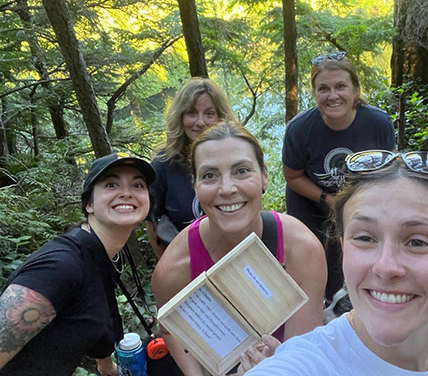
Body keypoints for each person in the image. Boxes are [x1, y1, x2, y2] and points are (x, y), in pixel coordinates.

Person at [244, 150, 428, 375]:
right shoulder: (306, 365)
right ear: (344, 250)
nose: (385, 267)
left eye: (417, 242)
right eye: (365, 238)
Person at [152, 120, 327, 376]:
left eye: (242, 171)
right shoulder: (175, 268)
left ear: (264, 176)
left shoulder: (300, 249)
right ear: (195, 186)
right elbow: (171, 329)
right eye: (209, 175)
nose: (227, 189)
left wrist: (276, 367)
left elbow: (301, 352)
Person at [0, 153, 156, 376]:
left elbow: (95, 308)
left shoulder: (101, 254)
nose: (126, 193)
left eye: (137, 185)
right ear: (89, 204)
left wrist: (106, 366)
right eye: (111, 184)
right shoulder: (61, 265)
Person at [282, 51, 395, 302]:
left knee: (353, 251)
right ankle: (310, 302)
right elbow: (293, 176)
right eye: (324, 89)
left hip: (362, 198)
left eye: (341, 86)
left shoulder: (378, 123)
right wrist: (328, 199)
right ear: (314, 93)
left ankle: (358, 299)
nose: (333, 96)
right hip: (311, 199)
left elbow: (389, 171)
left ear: (355, 89)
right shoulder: (299, 129)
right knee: (313, 256)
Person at [147, 77, 236, 258]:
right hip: (188, 261)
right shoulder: (161, 166)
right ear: (180, 117)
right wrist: (167, 265)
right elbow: (152, 224)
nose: (200, 122)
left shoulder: (237, 156)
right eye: (191, 113)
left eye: (209, 113)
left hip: (237, 253)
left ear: (221, 117)